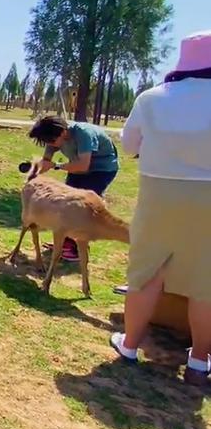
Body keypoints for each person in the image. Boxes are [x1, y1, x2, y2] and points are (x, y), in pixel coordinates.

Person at [111, 29, 211, 387]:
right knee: (206, 284)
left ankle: (130, 345)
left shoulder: (151, 98)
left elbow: (129, 144)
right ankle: (199, 361)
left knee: (147, 272)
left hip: (158, 194)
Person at [28, 115, 120, 261]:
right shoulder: (54, 135)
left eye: (52, 141)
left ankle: (77, 249)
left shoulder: (83, 134)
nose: (51, 144)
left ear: (63, 132)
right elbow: (47, 159)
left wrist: (56, 166)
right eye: (47, 142)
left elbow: (83, 166)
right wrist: (39, 167)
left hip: (101, 170)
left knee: (81, 208)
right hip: (78, 167)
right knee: (66, 203)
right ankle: (65, 241)